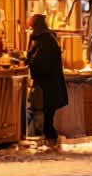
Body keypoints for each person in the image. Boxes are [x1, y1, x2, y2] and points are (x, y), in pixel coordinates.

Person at [25, 14, 69, 150]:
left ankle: (52, 143)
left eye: (32, 27)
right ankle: (51, 142)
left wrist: (29, 62)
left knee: (47, 117)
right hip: (50, 84)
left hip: (49, 85)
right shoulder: (45, 39)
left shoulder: (45, 41)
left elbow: (41, 62)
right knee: (47, 116)